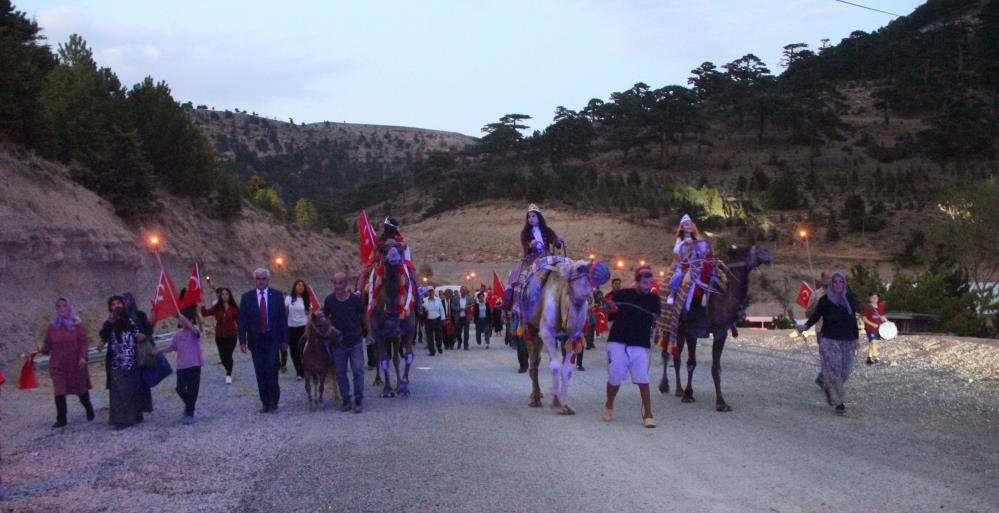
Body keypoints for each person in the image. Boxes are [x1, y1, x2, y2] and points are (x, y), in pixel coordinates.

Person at [603, 266, 661, 428]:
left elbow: (656, 317)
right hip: (618, 340)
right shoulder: (623, 294)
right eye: (645, 282)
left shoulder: (654, 299)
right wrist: (608, 307)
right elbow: (610, 312)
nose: (648, 286)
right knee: (615, 377)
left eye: (649, 283)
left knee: (643, 378)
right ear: (637, 282)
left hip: (640, 343)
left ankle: (648, 414)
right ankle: (609, 404)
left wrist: (656, 322)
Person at [797, 272, 860, 415]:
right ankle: (840, 403)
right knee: (835, 371)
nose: (838, 284)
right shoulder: (824, 300)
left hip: (848, 340)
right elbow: (815, 316)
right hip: (829, 339)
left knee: (846, 372)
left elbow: (853, 320)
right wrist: (805, 326)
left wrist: (856, 338)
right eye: (835, 282)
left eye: (841, 282)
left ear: (844, 284)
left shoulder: (849, 298)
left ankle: (829, 388)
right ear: (831, 284)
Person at [238, 268, 288, 413]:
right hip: (256, 340)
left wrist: (285, 339)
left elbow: (282, 319)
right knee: (260, 371)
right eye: (258, 279)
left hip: (273, 339)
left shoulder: (277, 296)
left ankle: (274, 400)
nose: (261, 281)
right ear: (255, 280)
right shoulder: (247, 298)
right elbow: (242, 321)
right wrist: (242, 340)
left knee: (272, 369)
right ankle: (265, 402)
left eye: (263, 278)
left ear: (268, 279)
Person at [39, 298, 94, 428]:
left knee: (81, 389)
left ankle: (88, 407)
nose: (61, 308)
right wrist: (42, 349)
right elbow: (48, 344)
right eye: (58, 306)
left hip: (75, 363)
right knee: (59, 390)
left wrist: (82, 357)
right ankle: (61, 418)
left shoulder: (77, 324)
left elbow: (83, 342)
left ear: (69, 307)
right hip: (58, 364)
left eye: (64, 305)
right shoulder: (53, 326)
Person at [502, 204, 564, 311]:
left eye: (533, 216)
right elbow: (524, 243)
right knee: (516, 276)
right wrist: (531, 244)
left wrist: (558, 241)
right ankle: (512, 304)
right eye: (529, 216)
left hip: (546, 257)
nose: (531, 219)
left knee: (562, 268)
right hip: (531, 260)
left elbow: (555, 241)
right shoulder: (525, 232)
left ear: (539, 217)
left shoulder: (547, 230)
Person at [324, 272, 369, 413]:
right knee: (341, 373)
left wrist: (369, 333)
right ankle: (346, 400)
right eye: (335, 283)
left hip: (355, 341)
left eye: (340, 283)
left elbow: (364, 315)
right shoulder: (329, 300)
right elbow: (325, 317)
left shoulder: (355, 300)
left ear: (346, 284)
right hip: (339, 344)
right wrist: (329, 330)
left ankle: (359, 400)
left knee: (358, 371)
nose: (337, 286)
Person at [155, 311, 203, 425]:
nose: (182, 322)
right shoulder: (178, 334)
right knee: (179, 388)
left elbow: (196, 332)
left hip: (194, 364)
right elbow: (172, 347)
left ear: (190, 320)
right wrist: (158, 351)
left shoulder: (194, 330)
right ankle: (190, 405)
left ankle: (190, 413)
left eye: (184, 319)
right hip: (181, 366)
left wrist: (186, 320)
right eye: (181, 320)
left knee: (193, 389)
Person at [107, 306, 147, 429]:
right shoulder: (129, 330)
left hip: (122, 366)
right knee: (127, 393)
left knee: (121, 394)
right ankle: (132, 416)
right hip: (127, 365)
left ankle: (123, 420)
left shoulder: (118, 331)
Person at [201, 288, 239, 384]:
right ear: (220, 296)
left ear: (229, 295)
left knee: (228, 355)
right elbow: (205, 313)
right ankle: (227, 368)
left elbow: (240, 321)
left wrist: (243, 333)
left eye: (226, 294)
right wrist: (202, 303)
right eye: (223, 294)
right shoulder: (217, 308)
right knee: (222, 356)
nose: (225, 296)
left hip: (231, 335)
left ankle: (228, 374)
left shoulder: (234, 308)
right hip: (219, 336)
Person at [805, 272, 830, 388]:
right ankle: (824, 377)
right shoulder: (816, 295)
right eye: (828, 278)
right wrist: (817, 308)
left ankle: (823, 376)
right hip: (821, 329)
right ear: (822, 279)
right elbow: (808, 313)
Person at [283, 280, 310, 379]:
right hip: (291, 327)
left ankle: (306, 369)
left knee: (303, 350)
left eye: (303, 285)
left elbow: (309, 314)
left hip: (303, 327)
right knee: (293, 350)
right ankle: (299, 372)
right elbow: (284, 313)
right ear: (295, 287)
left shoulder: (306, 300)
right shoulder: (289, 299)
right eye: (299, 285)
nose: (301, 287)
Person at [862, 292, 888, 365]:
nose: (874, 299)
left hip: (878, 328)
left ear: (878, 298)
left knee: (874, 343)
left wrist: (888, 322)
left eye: (876, 297)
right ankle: (876, 356)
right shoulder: (868, 307)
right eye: (873, 297)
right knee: (873, 341)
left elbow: (882, 316)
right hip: (870, 328)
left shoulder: (880, 306)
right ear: (870, 298)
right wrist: (872, 324)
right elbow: (864, 318)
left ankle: (869, 358)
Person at [423, 288, 446, 356]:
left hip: (437, 319)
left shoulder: (438, 300)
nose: (430, 293)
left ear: (433, 292)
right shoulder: (424, 300)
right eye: (429, 292)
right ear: (428, 293)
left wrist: (443, 319)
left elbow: (441, 309)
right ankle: (432, 351)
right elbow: (422, 309)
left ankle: (439, 347)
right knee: (429, 337)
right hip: (428, 320)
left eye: (432, 292)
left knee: (439, 335)